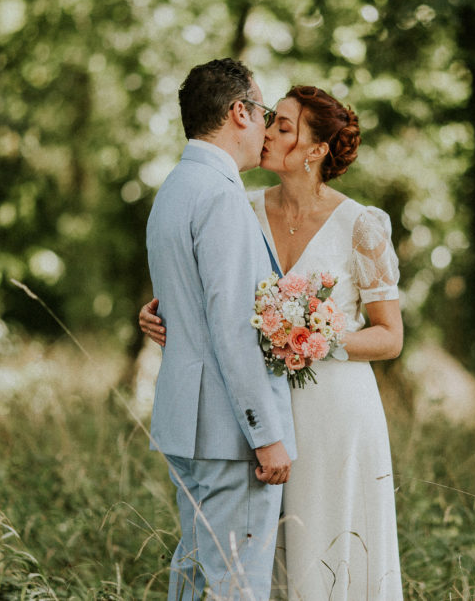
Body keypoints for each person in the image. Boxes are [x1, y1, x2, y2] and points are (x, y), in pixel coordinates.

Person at [142, 85, 404, 599]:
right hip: (258, 409)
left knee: (329, 544)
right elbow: (217, 302)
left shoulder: (362, 225)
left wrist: (315, 340)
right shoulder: (239, 206)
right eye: (270, 120)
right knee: (260, 552)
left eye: (283, 127)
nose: (266, 132)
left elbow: (390, 336)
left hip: (336, 412)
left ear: (316, 150)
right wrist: (164, 316)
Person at [145, 58, 296, 601]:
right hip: (230, 435)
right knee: (238, 587)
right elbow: (234, 328)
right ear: (240, 112)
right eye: (265, 114)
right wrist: (267, 434)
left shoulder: (174, 190)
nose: (266, 130)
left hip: (185, 421)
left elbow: (181, 303)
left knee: (191, 577)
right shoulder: (223, 198)